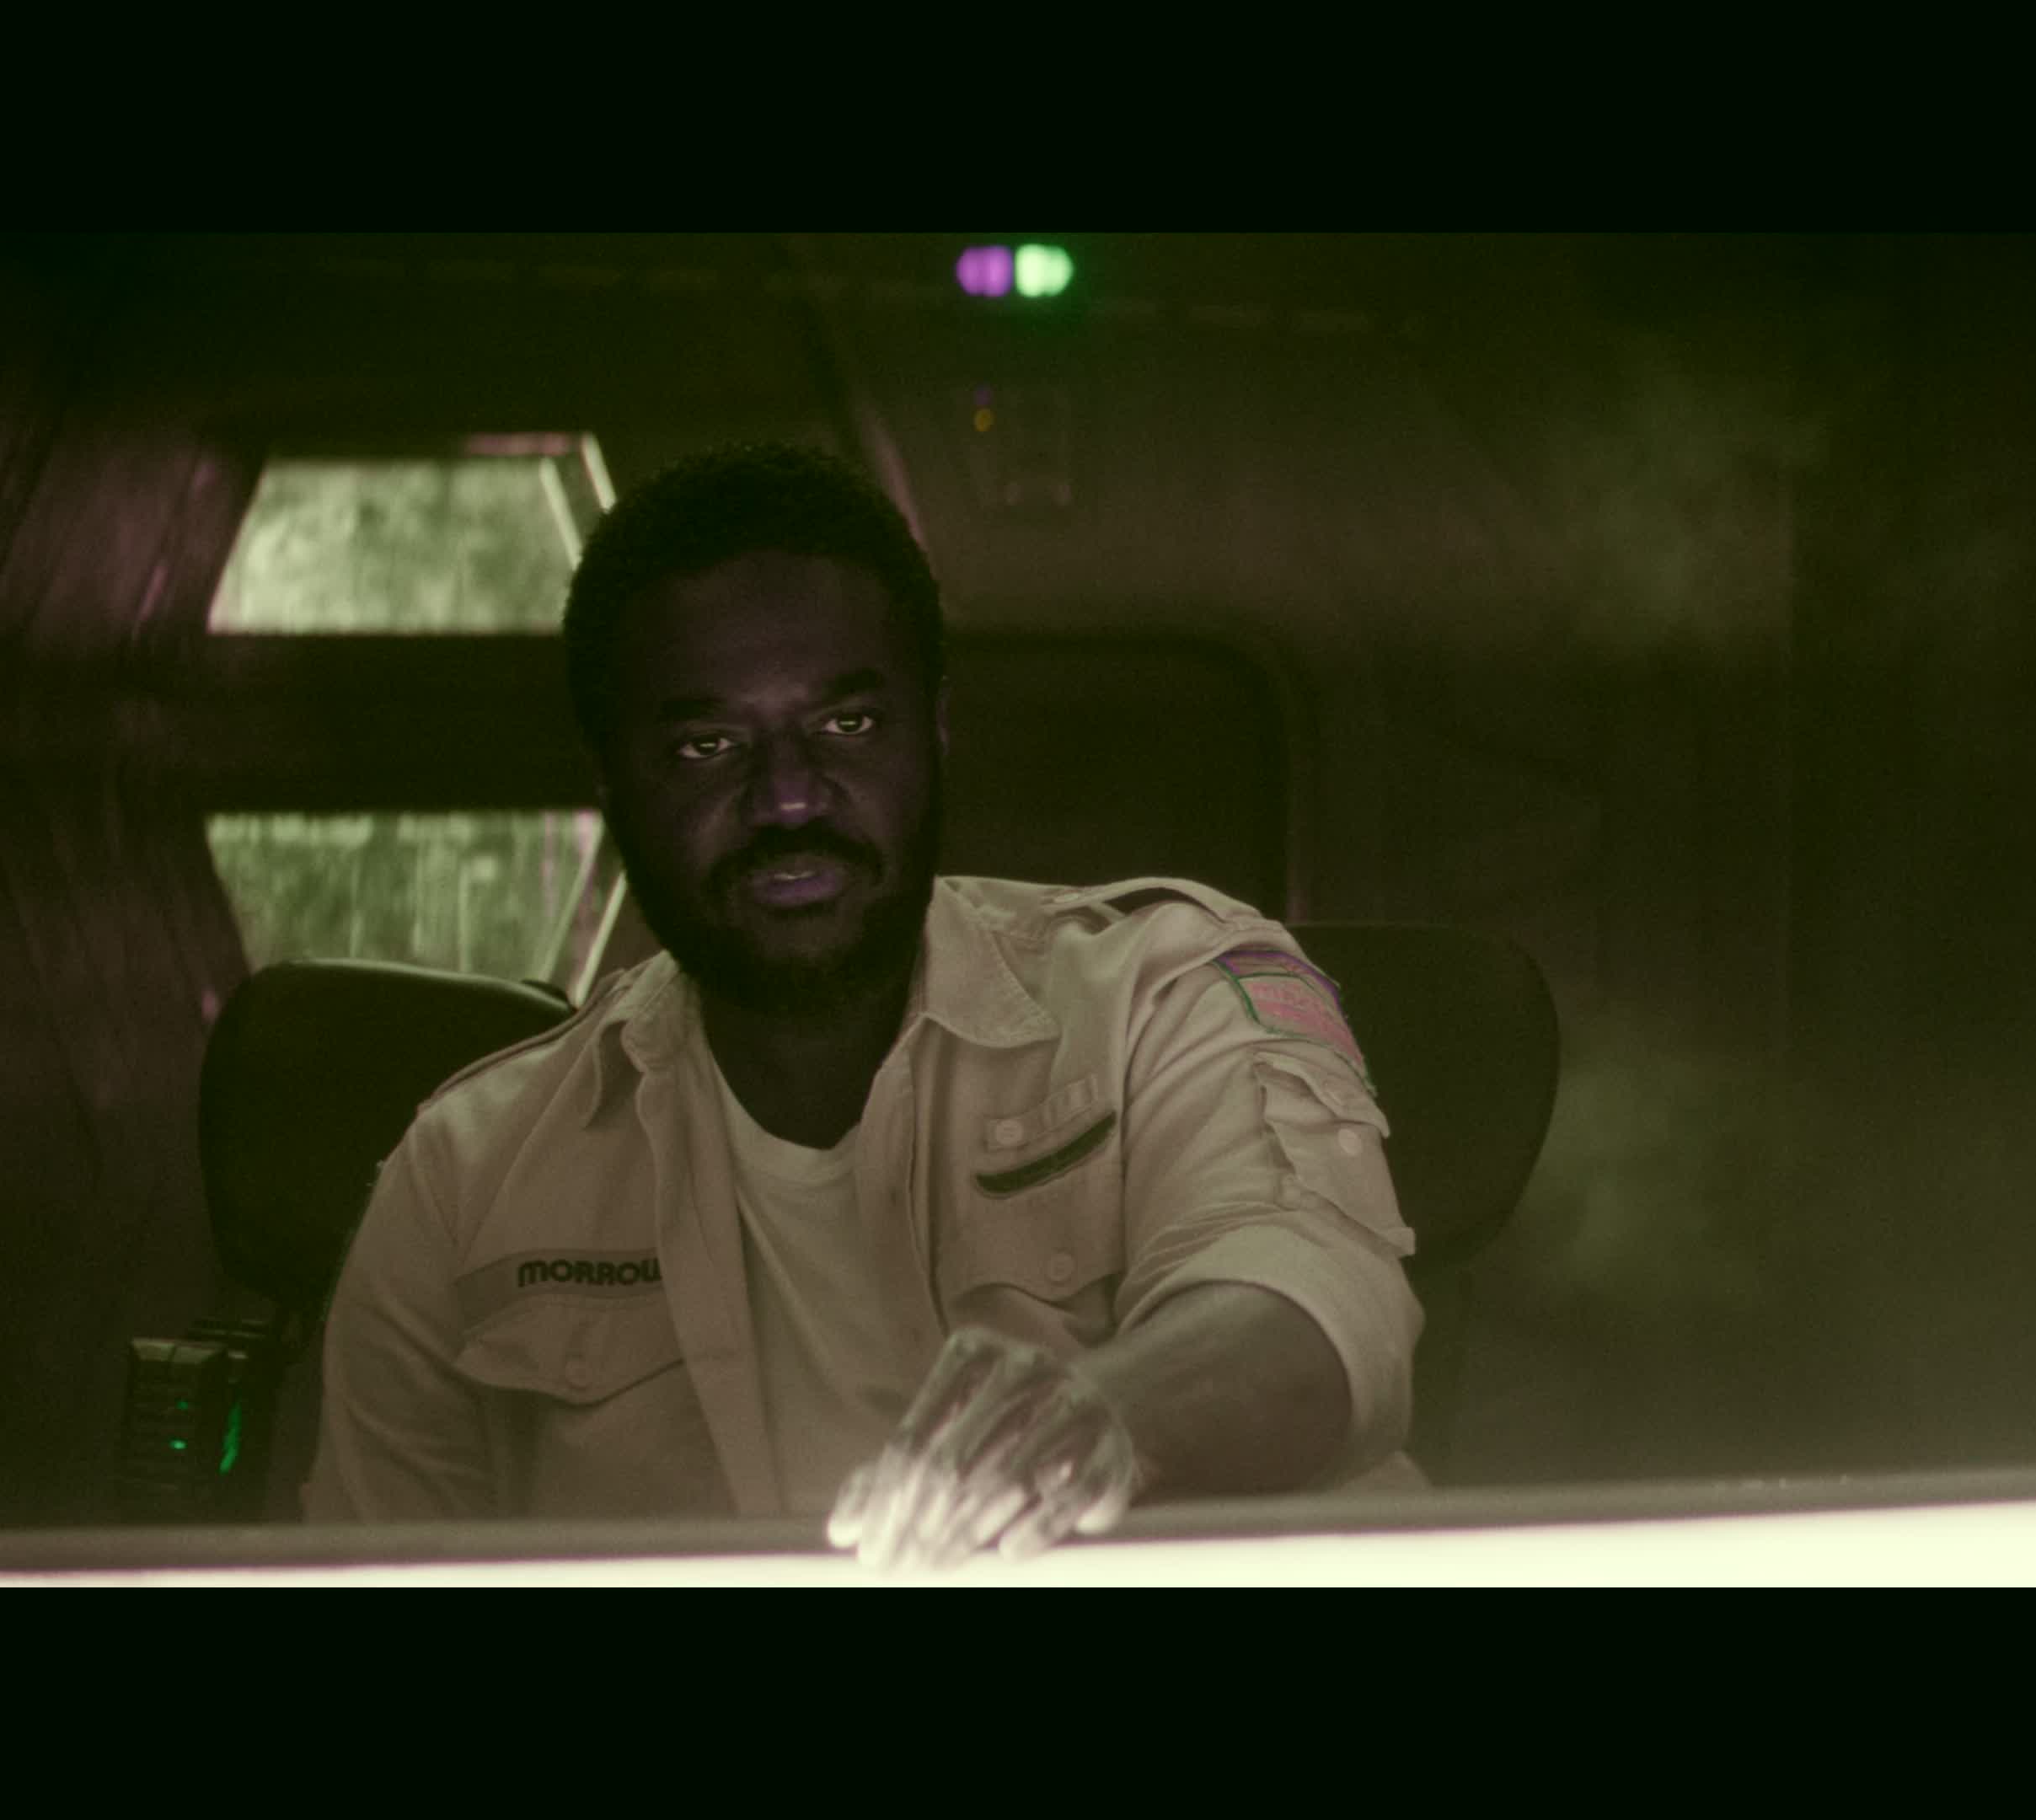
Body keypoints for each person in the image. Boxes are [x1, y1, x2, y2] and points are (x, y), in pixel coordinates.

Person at [302, 443, 1423, 1568]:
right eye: (708, 746)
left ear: (935, 728)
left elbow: (1315, 1319)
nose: (788, 799)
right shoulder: (463, 1180)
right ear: (612, 780)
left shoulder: (1163, 991)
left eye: (848, 726)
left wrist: (1100, 1422)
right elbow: (373, 1572)